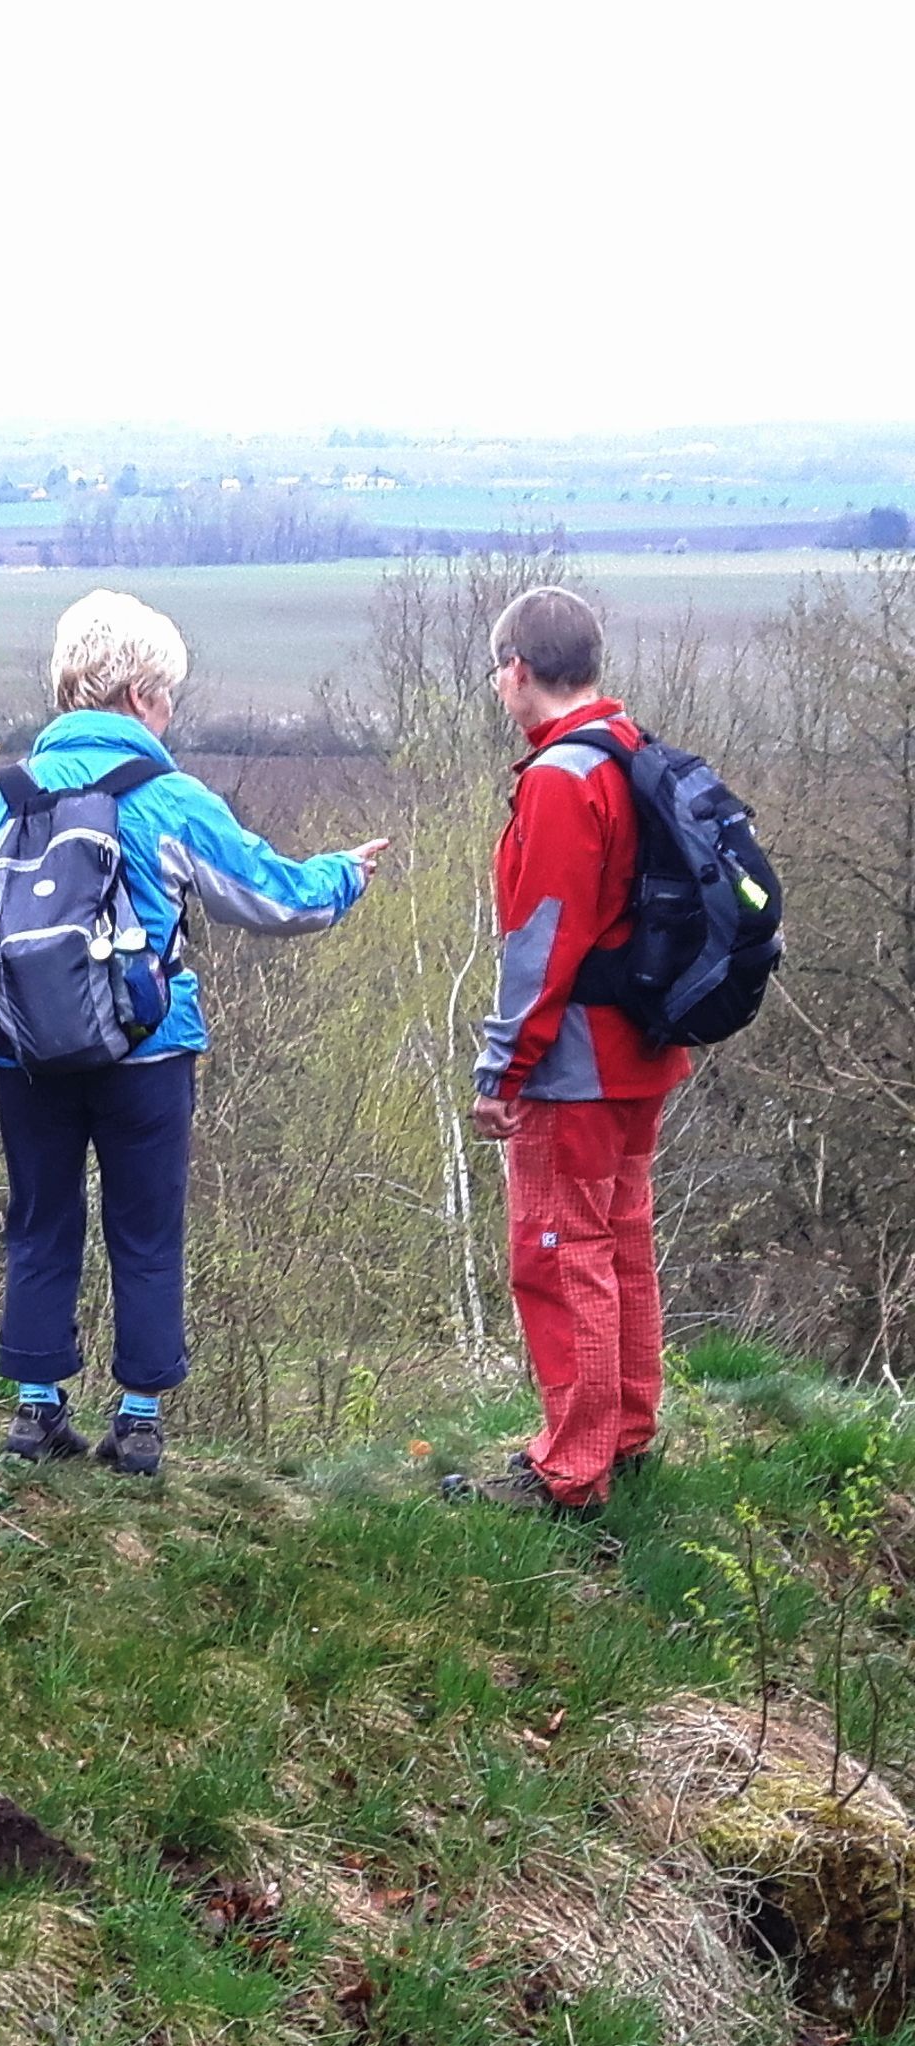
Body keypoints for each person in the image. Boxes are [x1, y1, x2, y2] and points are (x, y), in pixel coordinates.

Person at [0, 590, 389, 1473]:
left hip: (26, 1049)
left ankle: (36, 1413)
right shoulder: (166, 796)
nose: (172, 710)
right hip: (149, 1048)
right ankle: (138, 1423)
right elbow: (270, 896)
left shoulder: (8, 800)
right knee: (145, 1231)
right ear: (140, 693)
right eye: (168, 692)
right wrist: (344, 876)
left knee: (39, 1222)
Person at [456, 586, 688, 1517]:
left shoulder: (561, 778)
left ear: (517, 669)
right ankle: (626, 1436)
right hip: (641, 1052)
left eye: (497, 672)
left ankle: (570, 1472)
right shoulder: (628, 750)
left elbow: (540, 945)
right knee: (622, 1241)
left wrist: (501, 1071)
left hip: (577, 1065)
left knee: (561, 1253)